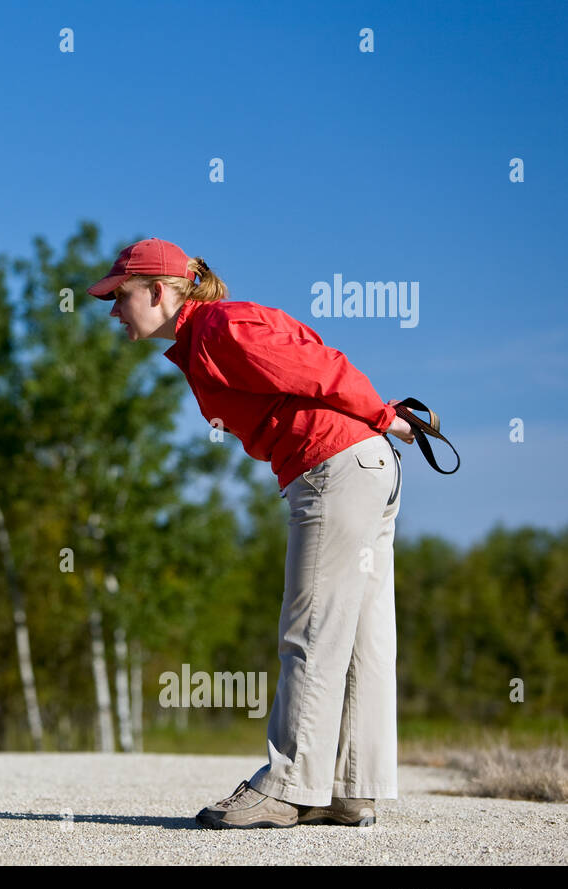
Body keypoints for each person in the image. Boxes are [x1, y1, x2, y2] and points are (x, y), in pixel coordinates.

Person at [87, 238, 415, 829]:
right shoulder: (209, 332)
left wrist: (383, 413)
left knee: (310, 629)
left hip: (334, 467)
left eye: (120, 296)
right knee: (362, 635)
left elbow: (320, 367)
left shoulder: (217, 327)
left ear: (159, 292)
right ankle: (348, 788)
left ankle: (289, 786)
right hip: (364, 466)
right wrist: (379, 422)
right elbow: (311, 356)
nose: (112, 309)